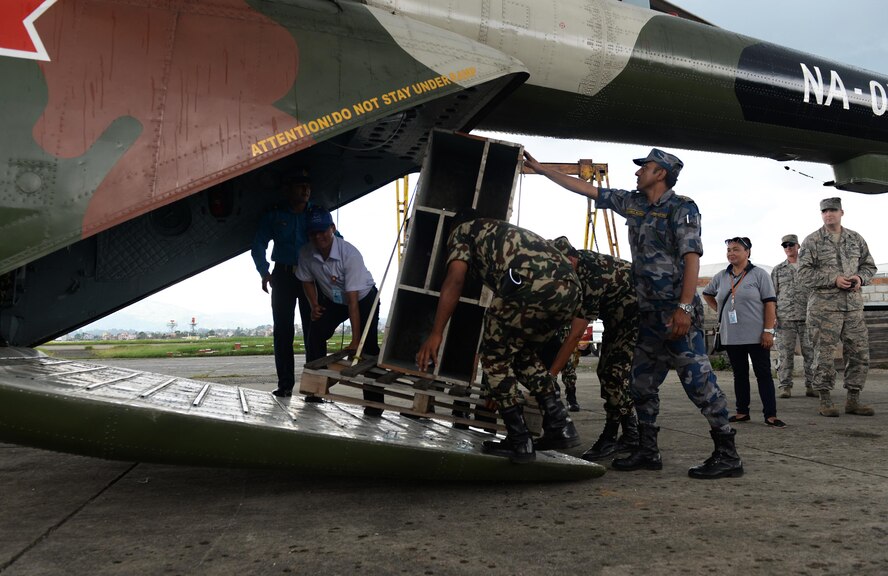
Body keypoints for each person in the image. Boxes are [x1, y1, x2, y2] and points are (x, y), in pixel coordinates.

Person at [525, 148, 742, 479]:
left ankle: (728, 453)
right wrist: (541, 170)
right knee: (639, 384)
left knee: (699, 383)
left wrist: (684, 306)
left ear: (661, 174)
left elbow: (691, 257)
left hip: (676, 314)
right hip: (648, 315)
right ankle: (647, 449)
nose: (638, 172)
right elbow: (586, 189)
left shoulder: (682, 207)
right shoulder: (633, 203)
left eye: (646, 168)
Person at [415, 215, 582, 464]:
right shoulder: (497, 231)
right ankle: (561, 425)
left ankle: (519, 440)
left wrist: (437, 332)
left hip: (531, 285)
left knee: (494, 356)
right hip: (571, 290)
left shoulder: (462, 230)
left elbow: (456, 278)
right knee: (524, 355)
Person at [545, 237, 640, 462]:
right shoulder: (579, 265)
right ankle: (629, 433)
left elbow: (575, 335)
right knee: (609, 373)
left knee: (612, 374)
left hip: (636, 316)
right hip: (618, 318)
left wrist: (551, 375)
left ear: (570, 259)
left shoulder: (591, 277)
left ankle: (620, 435)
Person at [296, 208, 384, 415]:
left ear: (332, 229)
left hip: (363, 298)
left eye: (322, 231)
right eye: (313, 233)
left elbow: (353, 302)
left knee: (367, 347)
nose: (318, 237)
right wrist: (314, 304)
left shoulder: (349, 254)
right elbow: (306, 280)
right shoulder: (306, 253)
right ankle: (315, 390)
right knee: (316, 332)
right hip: (335, 300)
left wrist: (355, 341)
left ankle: (374, 405)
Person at [798, 197, 877, 417]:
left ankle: (853, 399)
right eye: (824, 211)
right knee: (823, 355)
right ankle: (825, 399)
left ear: (842, 212)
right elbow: (803, 274)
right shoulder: (812, 241)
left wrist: (861, 278)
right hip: (824, 310)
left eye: (832, 210)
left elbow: (869, 266)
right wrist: (834, 279)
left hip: (852, 308)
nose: (828, 214)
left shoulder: (855, 238)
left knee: (859, 353)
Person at [703, 237, 785, 428]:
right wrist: (720, 310)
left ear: (747, 252)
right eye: (729, 249)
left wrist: (768, 330)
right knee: (739, 374)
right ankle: (742, 412)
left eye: (736, 249)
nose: (731, 253)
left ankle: (770, 415)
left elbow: (770, 304)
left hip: (757, 334)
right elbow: (708, 294)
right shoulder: (722, 276)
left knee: (763, 374)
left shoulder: (759, 275)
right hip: (732, 335)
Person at [250, 169, 314, 398]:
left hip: (310, 278)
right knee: (283, 332)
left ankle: (314, 390)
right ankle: (285, 385)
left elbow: (333, 240)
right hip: (283, 276)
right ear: (288, 190)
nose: (305, 190)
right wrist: (264, 272)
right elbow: (258, 244)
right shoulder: (275, 215)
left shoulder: (316, 214)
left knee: (313, 332)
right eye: (300, 186)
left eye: (308, 186)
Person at [771, 234, 815, 398]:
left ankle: (812, 386)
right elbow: (772, 295)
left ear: (798, 246)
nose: (788, 248)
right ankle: (785, 386)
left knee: (810, 353)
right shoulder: (778, 270)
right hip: (785, 318)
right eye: (785, 245)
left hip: (808, 317)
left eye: (791, 245)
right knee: (785, 354)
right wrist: (772, 316)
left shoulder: (809, 268)